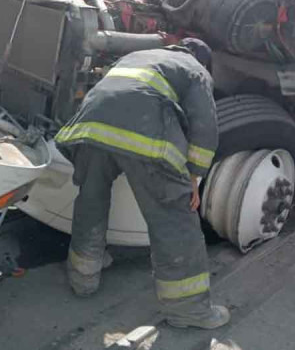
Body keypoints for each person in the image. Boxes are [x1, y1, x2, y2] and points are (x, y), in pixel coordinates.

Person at [55, 38, 230, 330]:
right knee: (174, 218)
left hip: (90, 129)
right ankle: (188, 310)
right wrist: (194, 178)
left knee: (91, 199)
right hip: (144, 135)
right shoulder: (195, 70)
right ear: (203, 60)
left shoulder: (139, 55)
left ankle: (84, 276)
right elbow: (204, 128)